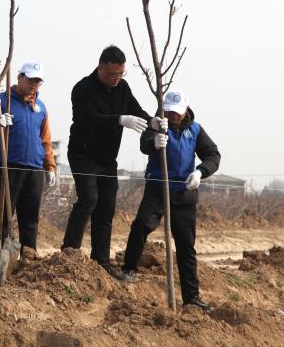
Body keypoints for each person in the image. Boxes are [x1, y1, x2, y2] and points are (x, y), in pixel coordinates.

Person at [116, 90, 220, 311]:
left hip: (184, 194)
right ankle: (129, 269)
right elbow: (144, 143)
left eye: (177, 113)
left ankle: (191, 297)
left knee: (186, 246)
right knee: (141, 224)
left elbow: (213, 155)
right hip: (157, 190)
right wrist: (154, 141)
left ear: (186, 110)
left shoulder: (195, 130)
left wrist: (200, 172)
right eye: (170, 112)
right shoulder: (156, 124)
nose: (173, 116)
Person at [61, 46, 161, 270]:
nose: (117, 79)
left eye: (121, 74)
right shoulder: (83, 88)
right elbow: (89, 118)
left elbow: (136, 110)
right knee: (88, 199)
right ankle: (69, 252)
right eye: (112, 74)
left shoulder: (122, 87)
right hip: (83, 154)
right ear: (100, 68)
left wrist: (152, 122)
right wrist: (119, 120)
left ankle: (101, 262)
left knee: (106, 208)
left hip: (107, 159)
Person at [0, 60, 57, 253]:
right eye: (31, 79)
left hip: (35, 169)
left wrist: (49, 166)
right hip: (9, 166)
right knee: (1, 215)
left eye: (38, 81)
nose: (34, 84)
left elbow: (45, 139)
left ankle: (29, 256)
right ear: (19, 77)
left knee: (30, 217)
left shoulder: (40, 107)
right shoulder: (2, 101)